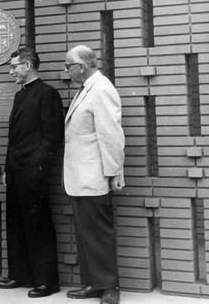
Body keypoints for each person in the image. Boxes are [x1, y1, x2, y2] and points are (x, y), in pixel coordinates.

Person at [0, 46, 64, 298]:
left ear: (28, 65)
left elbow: (51, 138)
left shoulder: (48, 94)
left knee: (38, 225)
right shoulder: (19, 95)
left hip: (33, 173)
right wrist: (7, 166)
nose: (11, 70)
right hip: (15, 171)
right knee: (15, 224)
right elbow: (13, 137)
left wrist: (37, 168)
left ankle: (47, 281)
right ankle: (19, 275)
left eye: (14, 66)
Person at [63, 45, 125, 304]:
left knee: (98, 234)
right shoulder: (86, 88)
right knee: (86, 233)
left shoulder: (101, 89)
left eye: (68, 66)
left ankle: (110, 287)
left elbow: (111, 135)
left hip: (94, 176)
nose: (65, 70)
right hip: (81, 177)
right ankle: (94, 283)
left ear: (81, 66)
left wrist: (113, 172)